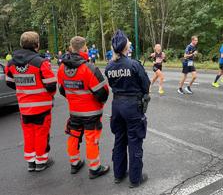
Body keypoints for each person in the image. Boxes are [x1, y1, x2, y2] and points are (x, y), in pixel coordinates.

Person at [57, 36, 110, 179]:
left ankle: (74, 163)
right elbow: (103, 92)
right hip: (91, 112)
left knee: (73, 136)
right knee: (91, 139)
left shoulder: (62, 67)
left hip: (74, 111)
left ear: (70, 48)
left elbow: (62, 90)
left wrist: (74, 99)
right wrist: (100, 103)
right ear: (85, 48)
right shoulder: (89, 68)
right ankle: (95, 168)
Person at [5, 31, 57, 172]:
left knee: (28, 134)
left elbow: (9, 82)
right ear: (37, 45)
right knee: (41, 134)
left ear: (22, 44)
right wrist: (48, 95)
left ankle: (31, 161)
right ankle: (41, 161)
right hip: (42, 106)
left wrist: (23, 89)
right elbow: (52, 85)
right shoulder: (41, 62)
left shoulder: (11, 63)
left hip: (24, 107)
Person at [105, 30, 150, 188]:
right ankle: (135, 178)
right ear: (126, 47)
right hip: (132, 107)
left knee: (119, 139)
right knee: (135, 140)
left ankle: (118, 174)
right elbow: (146, 85)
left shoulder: (109, 66)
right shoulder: (134, 64)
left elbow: (112, 85)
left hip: (116, 106)